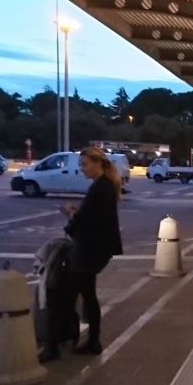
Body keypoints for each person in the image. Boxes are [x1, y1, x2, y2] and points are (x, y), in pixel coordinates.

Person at [38, 147, 123, 362]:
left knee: (65, 297)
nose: (81, 169)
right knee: (87, 295)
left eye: (84, 164)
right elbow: (96, 217)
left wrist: (73, 214)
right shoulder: (104, 186)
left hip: (88, 251)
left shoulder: (101, 188)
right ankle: (93, 341)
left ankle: (53, 345)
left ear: (97, 164)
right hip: (95, 250)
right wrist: (78, 213)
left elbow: (95, 221)